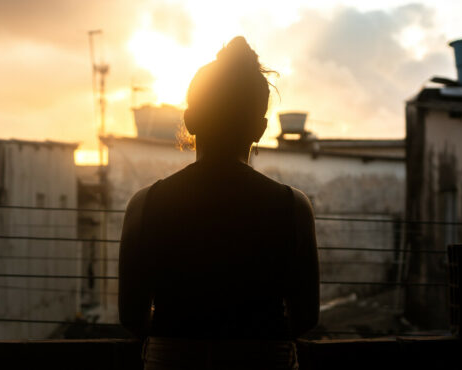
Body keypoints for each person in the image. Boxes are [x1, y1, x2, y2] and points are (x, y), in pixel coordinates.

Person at [119, 36, 319, 370]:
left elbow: (131, 318)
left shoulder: (144, 205)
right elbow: (305, 318)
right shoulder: (292, 207)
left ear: (190, 119)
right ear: (259, 128)